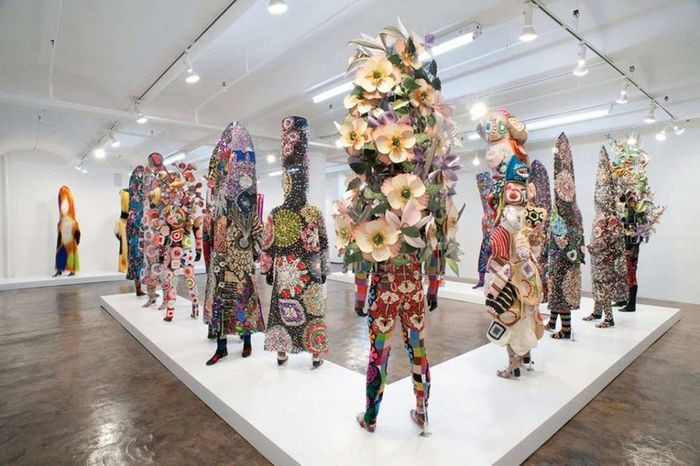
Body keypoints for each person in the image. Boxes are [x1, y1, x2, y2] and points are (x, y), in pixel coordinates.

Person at [260, 116, 329, 368]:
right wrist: (324, 269)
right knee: (309, 309)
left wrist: (268, 269)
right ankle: (314, 352)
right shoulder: (311, 212)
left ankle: (284, 351)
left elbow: (268, 244)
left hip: (288, 272)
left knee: (287, 309)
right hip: (304, 271)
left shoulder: (278, 213)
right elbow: (323, 243)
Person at [206, 123, 265, 365]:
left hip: (241, 262)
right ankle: (221, 347)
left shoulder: (247, 210)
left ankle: (247, 340)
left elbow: (259, 234)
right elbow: (210, 235)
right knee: (221, 302)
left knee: (244, 299)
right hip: (221, 262)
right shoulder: (218, 213)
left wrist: (254, 254)